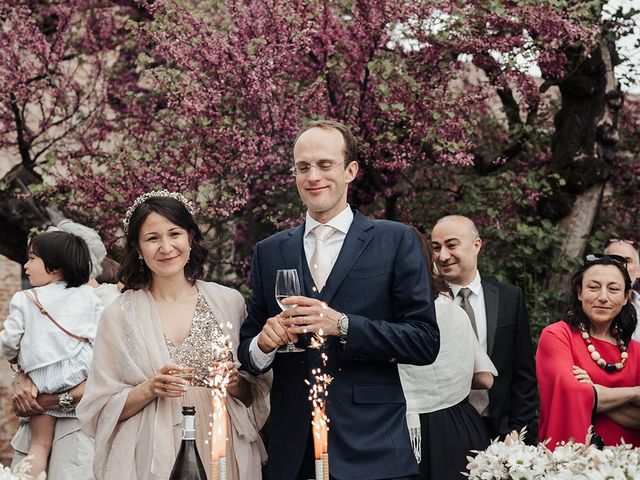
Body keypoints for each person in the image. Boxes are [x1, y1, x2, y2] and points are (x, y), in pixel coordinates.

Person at [238, 120, 440, 480]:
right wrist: (263, 345)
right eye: (303, 167)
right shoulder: (269, 251)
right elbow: (249, 352)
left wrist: (343, 325)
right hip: (292, 449)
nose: (313, 176)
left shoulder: (395, 241)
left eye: (324, 165)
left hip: (372, 446)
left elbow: (424, 341)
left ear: (350, 171)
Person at [76, 190, 271, 480]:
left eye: (174, 233)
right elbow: (97, 408)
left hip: (222, 442)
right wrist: (150, 388)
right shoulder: (118, 315)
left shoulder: (229, 302)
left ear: (190, 237)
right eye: (152, 238)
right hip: (151, 452)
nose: (166, 247)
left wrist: (233, 383)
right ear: (138, 248)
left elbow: (255, 391)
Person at [1, 231, 103, 477]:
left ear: (55, 266)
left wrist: (15, 358)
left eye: (32, 258)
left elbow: (9, 341)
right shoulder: (89, 296)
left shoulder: (26, 298)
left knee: (39, 446)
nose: (26, 265)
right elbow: (101, 336)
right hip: (82, 375)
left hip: (44, 381)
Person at [399, 230, 497, 479]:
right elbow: (485, 378)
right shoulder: (450, 309)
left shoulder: (385, 318)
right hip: (459, 426)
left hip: (406, 431)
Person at [430, 215, 536, 440]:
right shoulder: (426, 302)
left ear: (476, 245)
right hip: (443, 428)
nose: (443, 256)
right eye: (436, 248)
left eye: (451, 245)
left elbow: (523, 372)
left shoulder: (510, 297)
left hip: (501, 430)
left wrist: (518, 429)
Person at [536, 254, 640, 448]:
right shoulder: (558, 335)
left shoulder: (636, 351)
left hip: (629, 467)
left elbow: (582, 396)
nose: (603, 297)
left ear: (626, 297)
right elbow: (570, 394)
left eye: (613, 289)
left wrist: (594, 393)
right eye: (593, 287)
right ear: (579, 293)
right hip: (574, 462)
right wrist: (634, 393)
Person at [604, 238, 640, 340]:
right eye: (613, 259)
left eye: (627, 260)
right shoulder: (586, 304)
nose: (621, 265)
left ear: (638, 271)